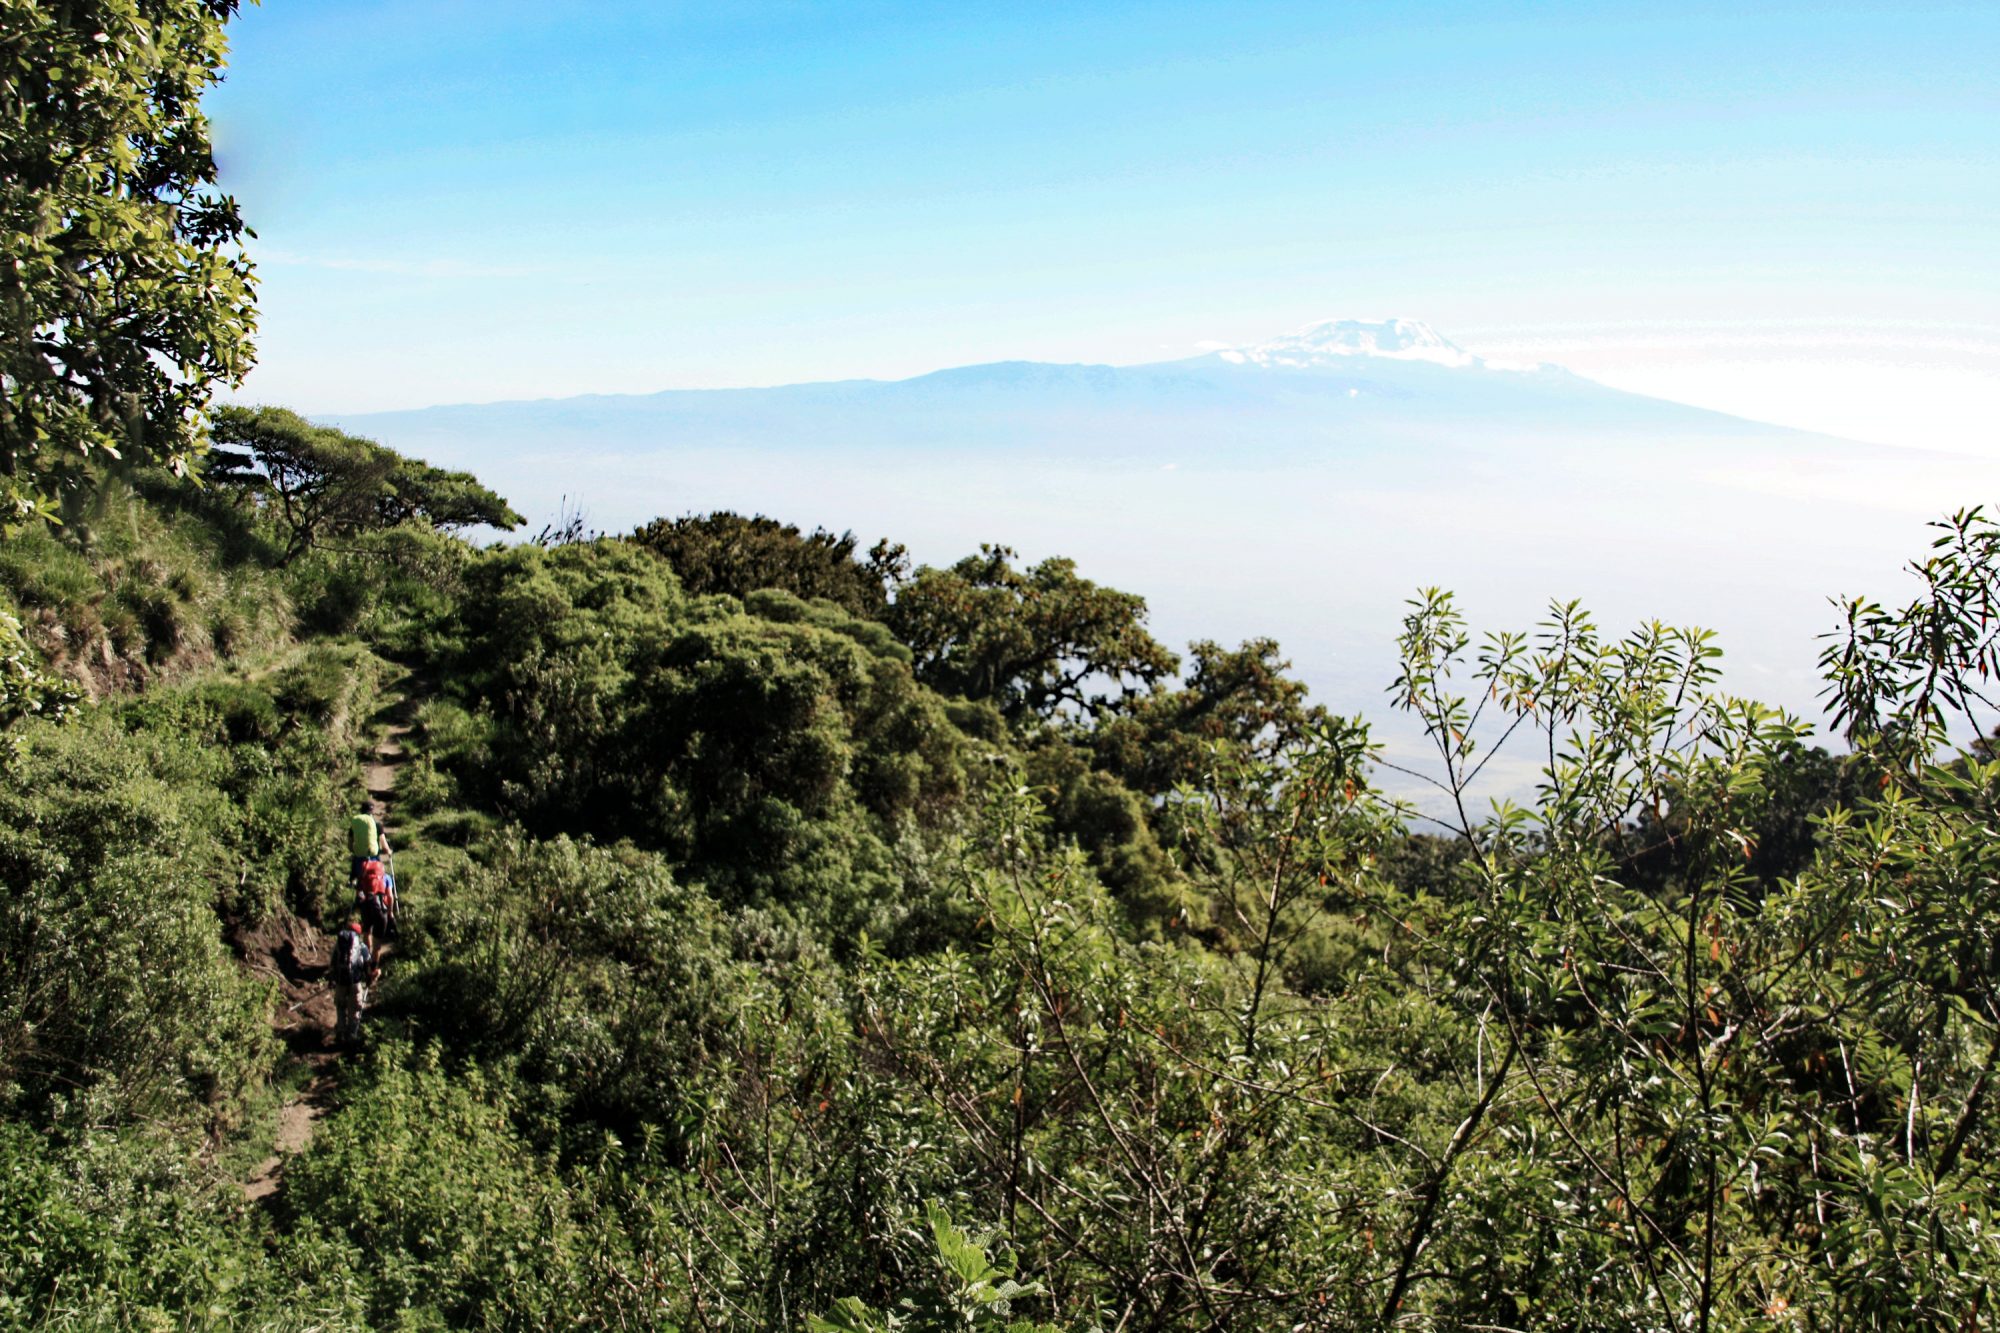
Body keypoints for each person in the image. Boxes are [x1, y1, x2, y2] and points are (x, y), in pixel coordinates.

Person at [331, 919, 377, 1046]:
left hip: (340, 981)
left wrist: (332, 979)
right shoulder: (362, 947)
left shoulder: (338, 945)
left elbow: (333, 963)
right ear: (359, 934)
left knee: (340, 1007)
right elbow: (368, 964)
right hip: (355, 983)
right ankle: (352, 1035)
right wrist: (369, 978)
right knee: (355, 1009)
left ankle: (340, 1032)